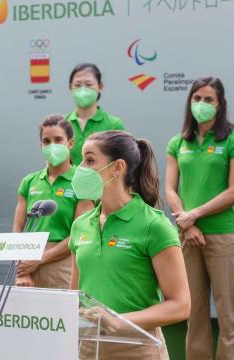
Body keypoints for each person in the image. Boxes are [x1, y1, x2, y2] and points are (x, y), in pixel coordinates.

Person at [69, 130, 190, 359]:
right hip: (88, 349)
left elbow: (180, 305)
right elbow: (76, 296)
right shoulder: (80, 225)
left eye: (90, 160)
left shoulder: (154, 225)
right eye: (82, 160)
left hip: (137, 349)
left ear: (117, 167)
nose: (81, 168)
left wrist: (119, 321)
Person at [165, 76, 234, 360]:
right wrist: (186, 225)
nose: (201, 104)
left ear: (220, 104)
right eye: (197, 98)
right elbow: (169, 189)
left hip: (223, 236)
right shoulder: (178, 142)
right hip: (188, 237)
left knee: (229, 318)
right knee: (194, 315)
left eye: (208, 99)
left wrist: (195, 215)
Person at [13, 115, 94, 289]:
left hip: (63, 262)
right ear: (41, 146)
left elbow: (79, 233)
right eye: (46, 141)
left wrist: (42, 258)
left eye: (58, 140)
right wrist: (22, 270)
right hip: (27, 265)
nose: (52, 146)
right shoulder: (29, 182)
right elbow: (19, 228)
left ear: (70, 143)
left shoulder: (83, 181)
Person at [65, 63, 124, 166]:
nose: (83, 90)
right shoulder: (63, 124)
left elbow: (120, 165)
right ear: (70, 88)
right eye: (77, 85)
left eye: (88, 84)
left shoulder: (113, 124)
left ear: (100, 86)